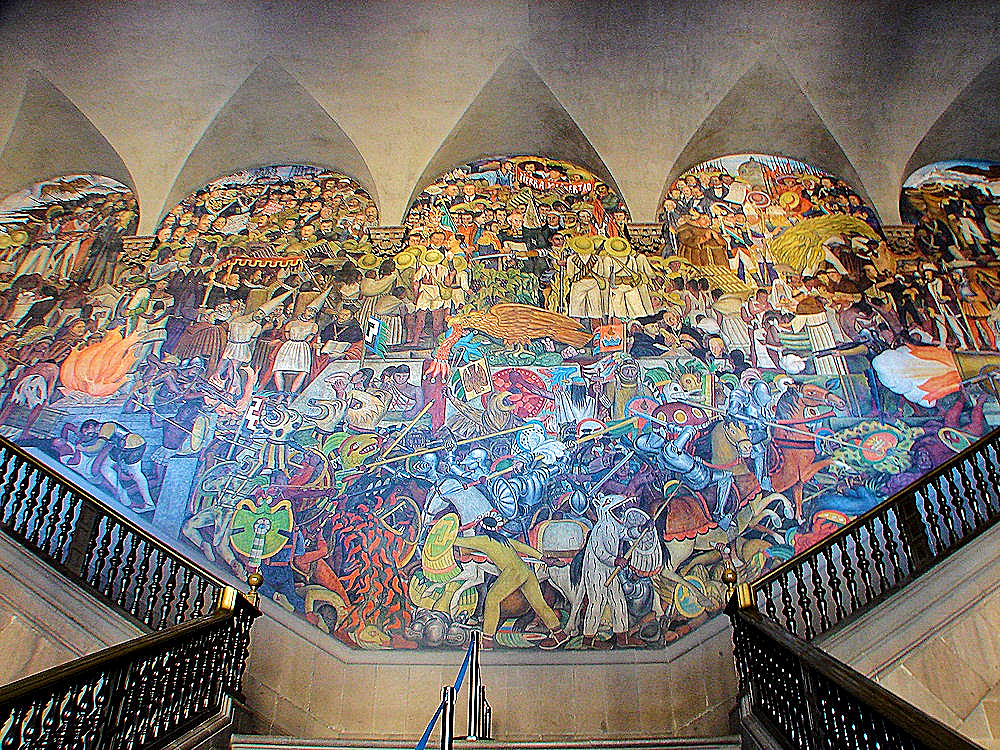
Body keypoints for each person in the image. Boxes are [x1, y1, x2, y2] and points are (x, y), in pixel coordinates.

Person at [452, 516, 569, 650]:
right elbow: (523, 548)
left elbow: (457, 540)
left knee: (492, 600)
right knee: (539, 604)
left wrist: (443, 531)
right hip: (526, 571)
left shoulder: (484, 540)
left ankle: (486, 641)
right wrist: (543, 558)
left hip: (514, 573)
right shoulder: (504, 540)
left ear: (482, 529)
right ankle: (559, 634)